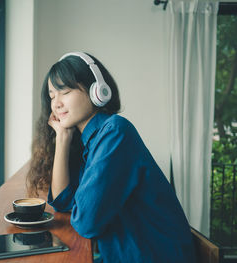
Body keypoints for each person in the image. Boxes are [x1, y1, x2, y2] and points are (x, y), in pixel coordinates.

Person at [27, 51, 196, 263]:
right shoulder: (90, 141)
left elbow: (86, 223)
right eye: (52, 96)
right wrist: (63, 137)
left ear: (97, 91)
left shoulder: (115, 132)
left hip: (153, 256)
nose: (56, 103)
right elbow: (63, 202)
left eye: (65, 92)